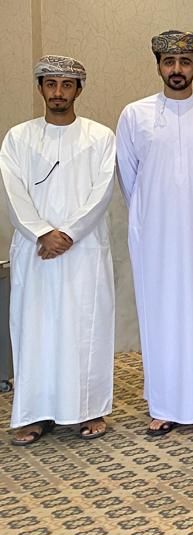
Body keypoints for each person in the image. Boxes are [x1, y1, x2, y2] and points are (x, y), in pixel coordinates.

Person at [116, 30, 193, 437]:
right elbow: (129, 177)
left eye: (185, 62)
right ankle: (164, 404)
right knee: (161, 315)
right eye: (169, 62)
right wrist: (154, 218)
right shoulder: (135, 114)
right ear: (158, 66)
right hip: (156, 236)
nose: (177, 70)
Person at [2, 56, 116, 445]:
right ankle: (34, 413)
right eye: (50, 84)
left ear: (79, 90)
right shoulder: (18, 138)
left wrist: (67, 233)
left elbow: (101, 192)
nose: (58, 93)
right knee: (35, 329)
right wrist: (41, 233)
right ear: (40, 89)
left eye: (67, 85)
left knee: (86, 327)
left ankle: (89, 409)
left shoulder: (100, 137)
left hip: (82, 250)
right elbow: (13, 192)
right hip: (36, 252)